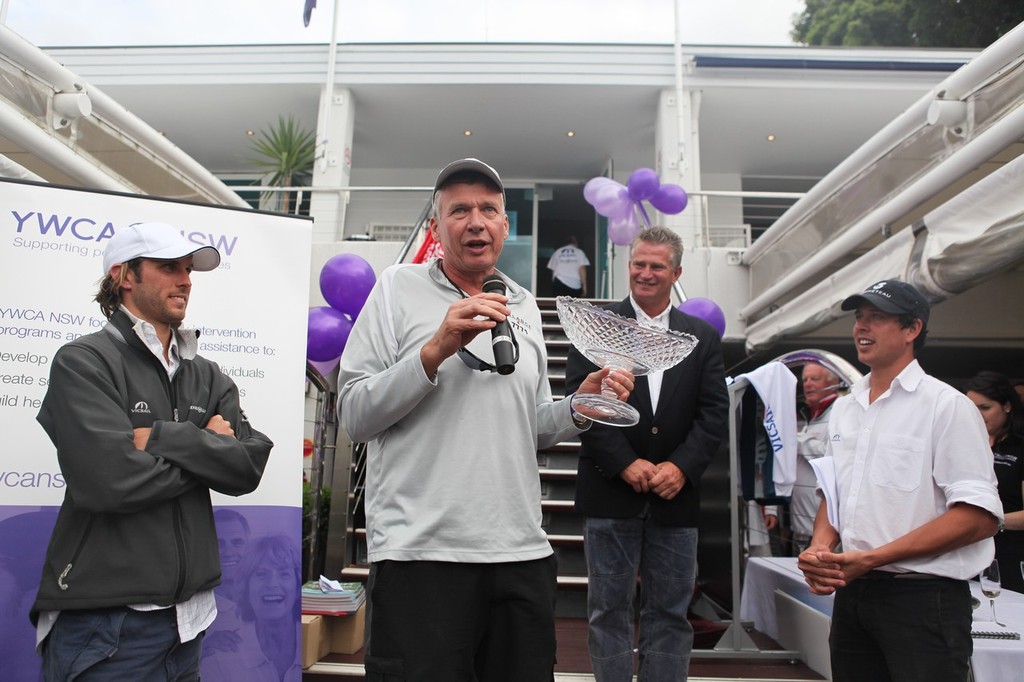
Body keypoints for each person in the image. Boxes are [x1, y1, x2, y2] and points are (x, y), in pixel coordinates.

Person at [337, 158, 633, 682]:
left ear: (504, 225)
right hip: (421, 555)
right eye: (459, 210)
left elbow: (532, 428)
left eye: (488, 209)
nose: (475, 221)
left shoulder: (524, 306)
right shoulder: (395, 289)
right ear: (436, 227)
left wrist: (578, 407)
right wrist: (435, 351)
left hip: (520, 553)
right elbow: (355, 414)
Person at [31, 221, 274, 682]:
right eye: (168, 267)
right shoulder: (83, 361)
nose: (185, 279)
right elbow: (111, 483)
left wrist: (162, 438)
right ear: (124, 276)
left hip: (190, 624)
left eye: (188, 269)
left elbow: (247, 468)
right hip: (106, 626)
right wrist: (208, 450)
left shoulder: (208, 373)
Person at [797, 280, 1003, 682]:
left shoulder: (947, 406)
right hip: (854, 593)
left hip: (925, 599)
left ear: (912, 330)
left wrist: (872, 558)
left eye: (877, 318)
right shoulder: (845, 408)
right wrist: (821, 548)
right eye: (859, 318)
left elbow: (979, 517)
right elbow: (836, 493)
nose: (861, 327)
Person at [565, 225, 729, 682]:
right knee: (607, 610)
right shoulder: (596, 326)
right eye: (639, 263)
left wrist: (681, 466)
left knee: (671, 614)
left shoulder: (700, 338)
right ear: (628, 265)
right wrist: (623, 462)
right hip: (609, 493)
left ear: (676, 272)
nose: (645, 273)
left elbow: (713, 413)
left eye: (657, 266)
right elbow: (580, 403)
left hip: (676, 498)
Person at [965, 370, 1024, 592]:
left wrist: (989, 522)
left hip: (1011, 558)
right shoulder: (964, 447)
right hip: (967, 558)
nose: (978, 415)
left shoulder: (1019, 449)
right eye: (972, 409)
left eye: (985, 407)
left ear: (1007, 406)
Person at [789, 362, 841, 554]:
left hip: (825, 534)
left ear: (833, 382)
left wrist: (796, 438)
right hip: (801, 527)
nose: (808, 384)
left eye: (815, 379)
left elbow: (828, 455)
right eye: (805, 380)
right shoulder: (811, 416)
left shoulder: (839, 412)